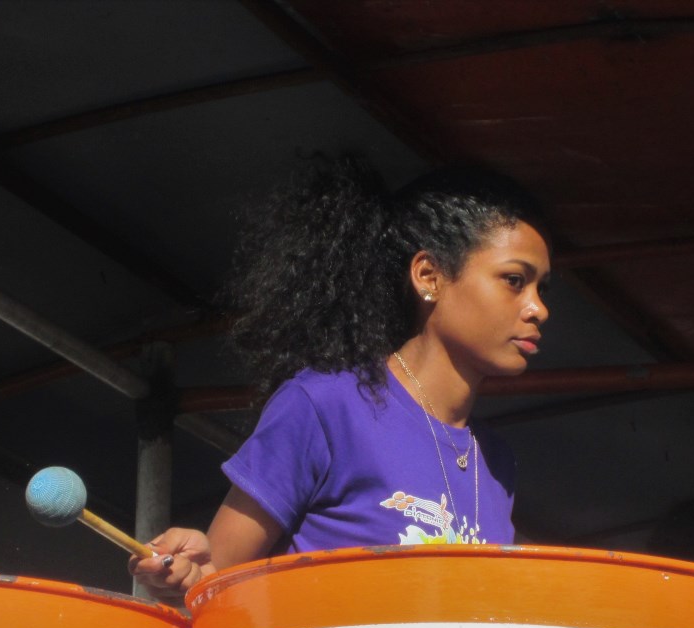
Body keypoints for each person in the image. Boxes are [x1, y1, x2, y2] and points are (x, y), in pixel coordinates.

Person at [130, 157, 551, 598]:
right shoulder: (326, 405)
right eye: (514, 280)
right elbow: (214, 585)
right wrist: (192, 572)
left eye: (543, 289)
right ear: (429, 276)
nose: (538, 308)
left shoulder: (497, 461)